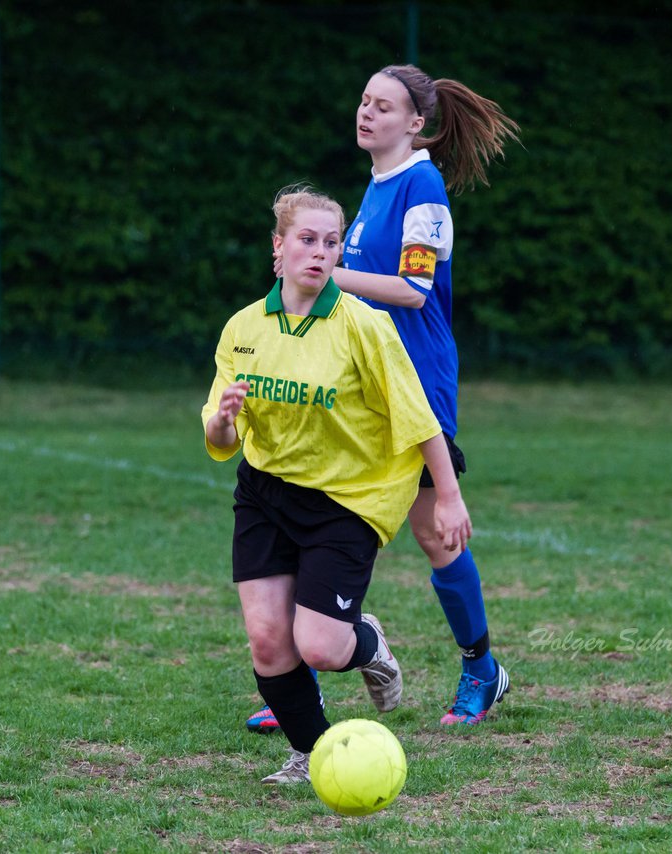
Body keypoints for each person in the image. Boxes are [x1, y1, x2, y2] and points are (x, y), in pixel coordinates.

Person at [246, 64, 518, 734]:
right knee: (330, 510)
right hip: (364, 389)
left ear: (415, 123)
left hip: (417, 387)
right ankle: (302, 674)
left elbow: (414, 290)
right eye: (364, 100)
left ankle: (482, 669)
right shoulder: (375, 188)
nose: (366, 112)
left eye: (384, 106)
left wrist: (330, 274)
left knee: (434, 534)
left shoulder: (421, 183)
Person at [204, 186, 473, 783]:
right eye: (306, 240)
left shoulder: (365, 326)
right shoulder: (243, 329)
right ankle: (313, 753)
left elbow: (419, 416)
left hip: (345, 502)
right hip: (266, 493)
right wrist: (223, 423)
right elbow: (222, 441)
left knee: (322, 646)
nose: (319, 253)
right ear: (278, 248)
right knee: (270, 641)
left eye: (331, 242)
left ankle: (366, 642)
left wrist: (448, 496)